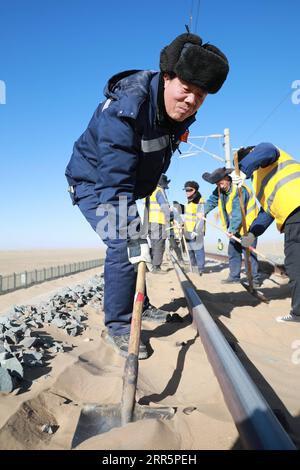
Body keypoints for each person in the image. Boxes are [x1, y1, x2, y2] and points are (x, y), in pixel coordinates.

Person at [65, 32, 229, 358]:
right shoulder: (125, 111)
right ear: (167, 78)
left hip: (127, 185)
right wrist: (130, 224)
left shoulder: (175, 113)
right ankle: (121, 325)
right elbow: (114, 183)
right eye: (186, 90)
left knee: (134, 241)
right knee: (124, 239)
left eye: (200, 95)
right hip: (93, 183)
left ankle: (140, 303)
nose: (191, 100)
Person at [230, 143, 300, 323]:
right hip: (293, 214)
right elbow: (267, 212)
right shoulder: (262, 181)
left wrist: (243, 170)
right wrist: (252, 234)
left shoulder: (267, 155)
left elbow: (267, 149)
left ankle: (299, 313)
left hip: (296, 212)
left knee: (295, 265)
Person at [202, 167, 261, 287]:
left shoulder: (239, 190)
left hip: (248, 227)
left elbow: (237, 212)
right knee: (233, 251)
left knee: (249, 254)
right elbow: (212, 201)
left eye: (222, 183)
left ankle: (255, 279)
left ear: (228, 179)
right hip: (235, 228)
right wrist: (202, 211)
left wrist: (232, 230)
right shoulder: (220, 190)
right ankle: (234, 276)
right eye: (218, 184)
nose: (221, 186)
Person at [147, 174, 170, 273]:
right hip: (159, 221)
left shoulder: (149, 192)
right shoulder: (159, 191)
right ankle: (156, 267)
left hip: (150, 222)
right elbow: (164, 206)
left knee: (153, 243)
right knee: (159, 244)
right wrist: (170, 215)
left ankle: (153, 265)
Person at [182, 181, 206, 274]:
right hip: (188, 230)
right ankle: (194, 267)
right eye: (186, 190)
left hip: (197, 231)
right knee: (190, 250)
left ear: (195, 190)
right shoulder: (189, 201)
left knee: (198, 249)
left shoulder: (200, 201)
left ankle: (200, 268)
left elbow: (201, 218)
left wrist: (196, 231)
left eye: (189, 190)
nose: (187, 192)